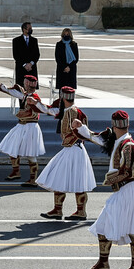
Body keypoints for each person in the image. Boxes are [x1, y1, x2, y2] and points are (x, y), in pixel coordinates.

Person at [75, 111, 134, 269]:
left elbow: (131, 171)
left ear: (114, 125)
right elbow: (96, 138)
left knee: (131, 230)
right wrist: (81, 127)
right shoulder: (118, 140)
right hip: (124, 190)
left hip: (129, 190)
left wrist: (110, 179)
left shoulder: (128, 145)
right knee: (106, 226)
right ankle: (105, 264)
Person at [31, 86, 96, 220]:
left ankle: (75, 211)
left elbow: (49, 111)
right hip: (72, 149)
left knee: (68, 179)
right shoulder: (72, 110)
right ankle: (62, 210)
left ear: (63, 98)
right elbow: (48, 110)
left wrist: (36, 103)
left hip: (73, 148)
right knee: (63, 178)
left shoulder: (70, 112)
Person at [0, 75, 45, 186]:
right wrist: (1, 86)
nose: (24, 84)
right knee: (12, 146)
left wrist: (23, 114)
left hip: (31, 127)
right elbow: (12, 92)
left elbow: (36, 112)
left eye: (26, 83)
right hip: (22, 126)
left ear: (30, 84)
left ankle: (33, 179)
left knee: (31, 154)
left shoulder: (34, 98)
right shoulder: (26, 95)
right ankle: (16, 171)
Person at [12, 22, 40, 88]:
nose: (31, 30)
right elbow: (16, 55)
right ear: (24, 29)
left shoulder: (34, 40)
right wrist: (24, 65)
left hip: (32, 69)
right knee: (21, 90)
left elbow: (37, 54)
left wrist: (31, 64)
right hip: (21, 69)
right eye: (29, 28)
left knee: (31, 91)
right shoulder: (16, 40)